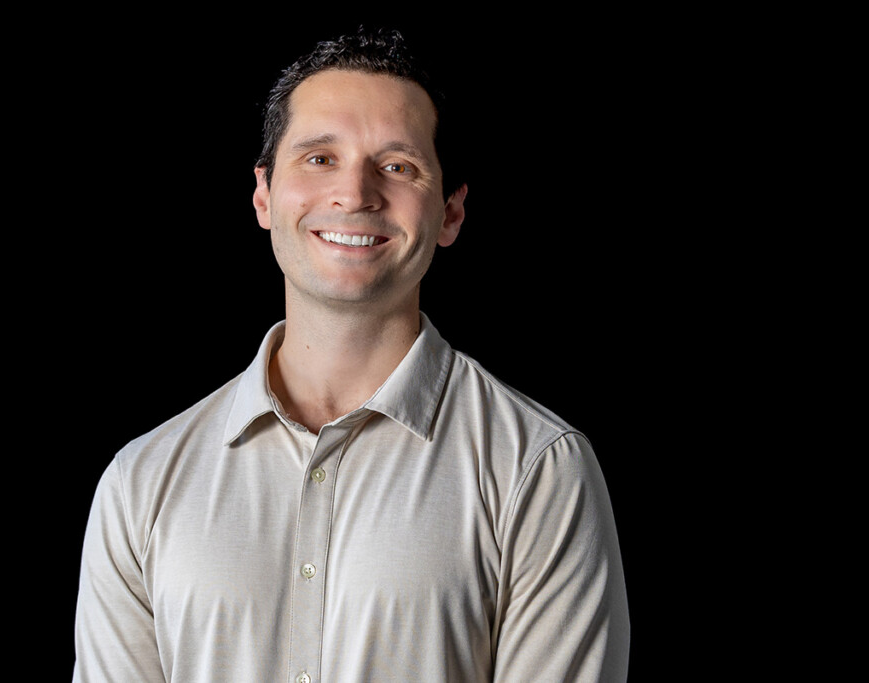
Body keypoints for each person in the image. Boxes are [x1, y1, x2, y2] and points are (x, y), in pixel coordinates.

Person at [72, 27, 629, 682]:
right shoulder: (140, 484)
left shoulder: (538, 471)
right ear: (263, 194)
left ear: (451, 212)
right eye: (318, 158)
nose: (355, 193)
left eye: (397, 166)